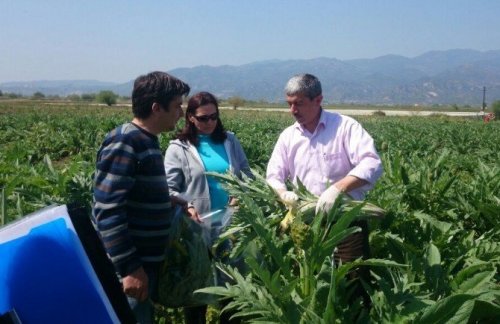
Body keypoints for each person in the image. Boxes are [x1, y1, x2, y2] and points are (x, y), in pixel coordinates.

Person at [92, 71, 190, 324]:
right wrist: (130, 268)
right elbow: (108, 209)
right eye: (177, 105)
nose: (181, 112)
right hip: (129, 270)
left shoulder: (146, 140)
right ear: (157, 108)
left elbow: (133, 193)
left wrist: (166, 201)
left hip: (144, 265)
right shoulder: (127, 141)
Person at [164, 91, 253, 324]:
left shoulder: (230, 141)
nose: (210, 122)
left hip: (229, 227)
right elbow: (169, 188)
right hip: (195, 228)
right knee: (198, 289)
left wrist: (240, 194)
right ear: (191, 117)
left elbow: (247, 175)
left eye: (214, 117)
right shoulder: (178, 147)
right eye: (203, 118)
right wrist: (187, 206)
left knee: (232, 288)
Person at [266, 73, 383, 213]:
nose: (293, 110)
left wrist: (337, 189)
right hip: (304, 219)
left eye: (299, 103)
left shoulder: (345, 127)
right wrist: (283, 194)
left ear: (318, 100)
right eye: (289, 104)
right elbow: (274, 176)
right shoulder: (287, 137)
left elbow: (371, 163)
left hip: (345, 218)